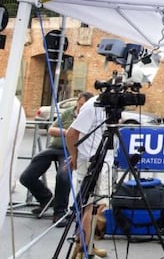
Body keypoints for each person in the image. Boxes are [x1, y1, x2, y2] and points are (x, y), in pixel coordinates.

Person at [19, 91, 93, 226]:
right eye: (79, 104)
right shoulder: (68, 113)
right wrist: (67, 132)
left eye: (83, 105)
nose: (80, 107)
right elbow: (51, 130)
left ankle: (60, 211)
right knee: (27, 175)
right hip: (54, 147)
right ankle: (46, 198)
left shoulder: (88, 116)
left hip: (70, 151)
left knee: (63, 175)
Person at [66, 95, 112, 258]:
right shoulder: (93, 105)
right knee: (91, 207)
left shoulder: (109, 108)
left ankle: (87, 245)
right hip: (91, 161)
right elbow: (71, 134)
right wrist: (75, 157)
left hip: (102, 160)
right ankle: (82, 248)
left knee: (96, 207)